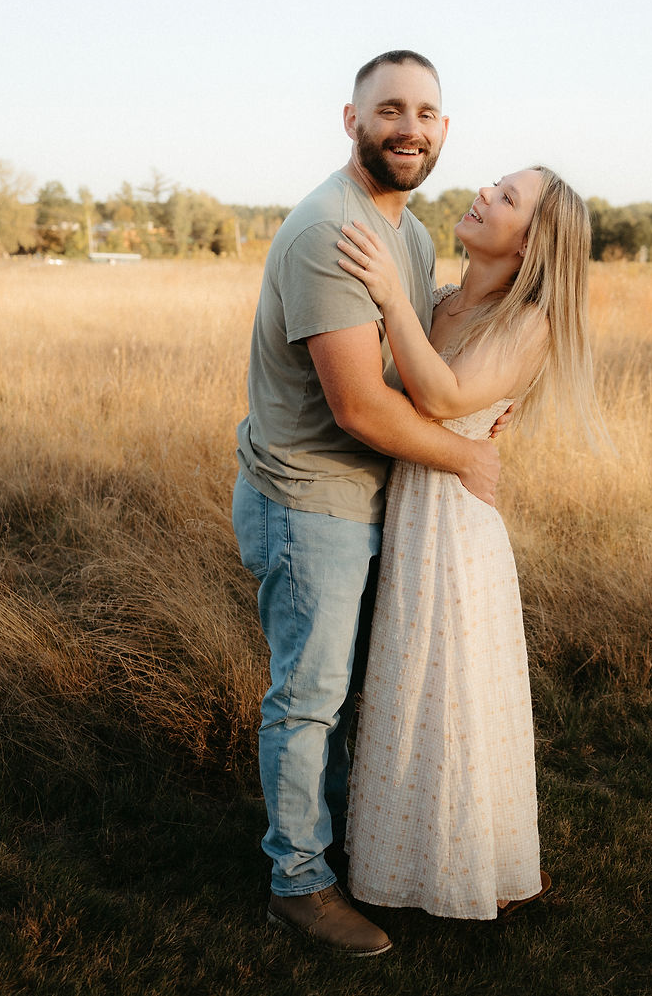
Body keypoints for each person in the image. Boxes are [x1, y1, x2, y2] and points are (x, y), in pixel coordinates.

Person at [232, 50, 507, 957]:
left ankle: (358, 846)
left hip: (368, 499)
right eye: (389, 108)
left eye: (426, 112)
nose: (409, 127)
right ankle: (298, 881)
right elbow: (359, 404)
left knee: (356, 693)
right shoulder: (329, 230)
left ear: (443, 129)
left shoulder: (411, 233)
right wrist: (470, 458)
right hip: (310, 501)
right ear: (350, 120)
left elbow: (420, 366)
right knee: (310, 699)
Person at [335, 164, 605, 920]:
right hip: (410, 509)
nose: (485, 192)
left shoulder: (530, 322)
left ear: (527, 246)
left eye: (507, 197)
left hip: (456, 524)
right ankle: (410, 861)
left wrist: (390, 297)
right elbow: (386, 393)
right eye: (495, 183)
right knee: (409, 684)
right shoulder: (444, 301)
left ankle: (475, 864)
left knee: (454, 690)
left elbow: (445, 396)